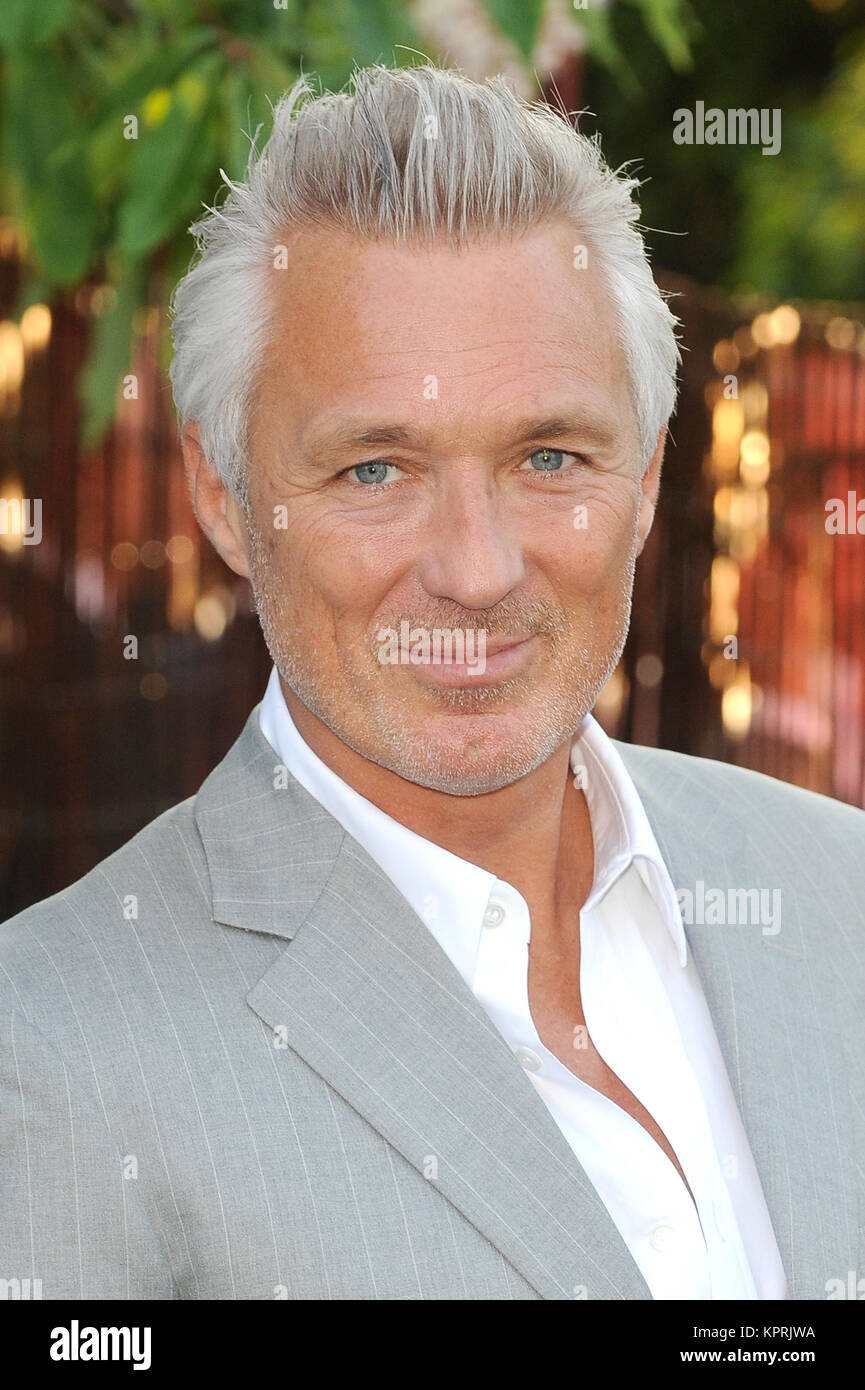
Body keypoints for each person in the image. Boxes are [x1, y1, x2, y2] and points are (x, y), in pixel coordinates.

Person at [1, 64, 862, 1302]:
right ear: (223, 499)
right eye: (374, 471)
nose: (475, 569)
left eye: (549, 455)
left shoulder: (841, 896)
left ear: (648, 478)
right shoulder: (49, 1050)